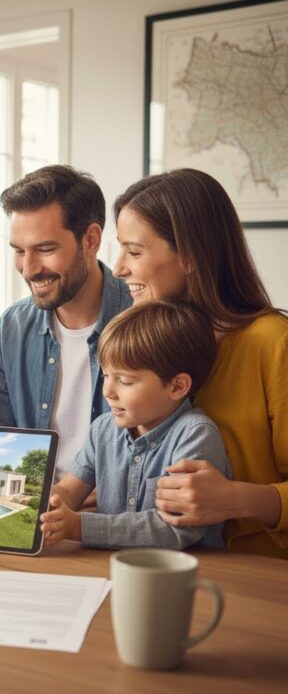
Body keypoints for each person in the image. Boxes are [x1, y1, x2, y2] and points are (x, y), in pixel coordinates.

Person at [113, 168, 288, 559]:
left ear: (190, 257)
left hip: (254, 570)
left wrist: (235, 499)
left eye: (134, 252)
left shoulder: (273, 344)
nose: (118, 268)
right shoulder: (143, 343)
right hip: (159, 560)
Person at [40, 301, 231, 550]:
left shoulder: (196, 435)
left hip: (184, 569)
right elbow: (69, 490)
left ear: (177, 386)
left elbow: (174, 528)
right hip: (108, 565)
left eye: (125, 381)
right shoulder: (103, 429)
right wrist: (47, 508)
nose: (107, 391)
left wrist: (78, 527)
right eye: (106, 375)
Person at [0, 165, 132, 483]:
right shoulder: (13, 327)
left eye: (45, 249)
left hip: (116, 511)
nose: (28, 269)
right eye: (19, 251)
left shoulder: (144, 320)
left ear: (90, 240)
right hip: (33, 506)